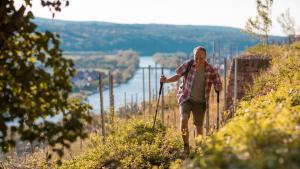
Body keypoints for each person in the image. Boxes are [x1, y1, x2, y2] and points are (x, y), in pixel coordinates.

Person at [160, 46, 222, 154]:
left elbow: (218, 83)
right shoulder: (189, 64)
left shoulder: (211, 70)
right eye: (196, 57)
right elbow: (177, 75)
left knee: (198, 128)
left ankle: (198, 150)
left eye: (201, 58)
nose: (198, 60)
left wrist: (218, 87)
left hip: (201, 102)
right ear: (194, 56)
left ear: (205, 57)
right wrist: (166, 81)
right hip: (186, 97)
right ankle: (186, 147)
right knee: (183, 119)